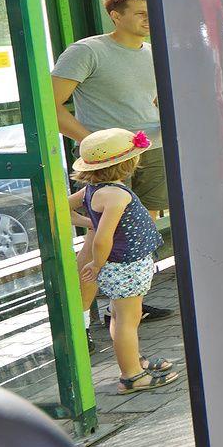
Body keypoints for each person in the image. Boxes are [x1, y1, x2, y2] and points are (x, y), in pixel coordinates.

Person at [52, 0, 171, 319]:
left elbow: (149, 100)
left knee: (135, 236)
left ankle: (125, 308)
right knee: (97, 237)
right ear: (116, 16)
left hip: (152, 151)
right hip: (107, 162)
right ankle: (79, 324)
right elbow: (50, 105)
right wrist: (95, 143)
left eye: (151, 12)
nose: (148, 19)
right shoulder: (87, 51)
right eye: (140, 13)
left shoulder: (154, 53)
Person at [68, 128, 175, 393]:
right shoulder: (117, 195)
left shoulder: (93, 190)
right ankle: (132, 375)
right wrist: (96, 263)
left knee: (119, 316)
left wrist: (87, 222)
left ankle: (133, 360)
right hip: (126, 266)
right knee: (129, 319)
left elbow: (62, 207)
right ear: (128, 163)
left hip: (119, 265)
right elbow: (103, 239)